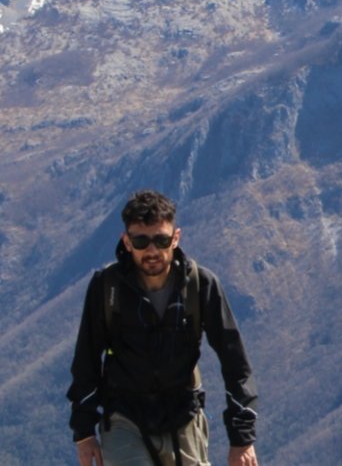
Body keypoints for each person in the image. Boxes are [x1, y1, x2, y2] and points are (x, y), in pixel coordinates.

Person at [67, 190, 260, 466]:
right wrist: (84, 434)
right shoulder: (107, 288)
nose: (152, 250)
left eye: (161, 239)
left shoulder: (200, 285)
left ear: (176, 238)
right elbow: (86, 360)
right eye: (141, 241)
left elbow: (236, 364)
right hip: (124, 418)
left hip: (183, 419)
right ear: (127, 241)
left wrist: (242, 439)